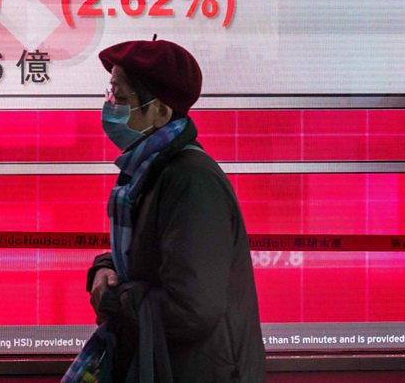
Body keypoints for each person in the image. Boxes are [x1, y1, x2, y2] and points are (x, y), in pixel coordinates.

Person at [64, 39, 265, 382]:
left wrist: (114, 299)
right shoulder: (150, 170)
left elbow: (192, 309)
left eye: (120, 98)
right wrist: (105, 268)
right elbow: (148, 254)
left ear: (160, 112)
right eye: (109, 94)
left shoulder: (191, 181)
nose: (109, 106)